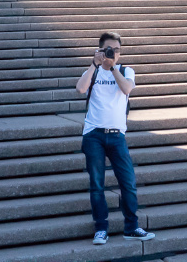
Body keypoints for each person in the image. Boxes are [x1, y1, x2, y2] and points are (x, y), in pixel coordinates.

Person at [74, 31, 155, 245]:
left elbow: (127, 89)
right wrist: (95, 64)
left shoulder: (126, 71)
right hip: (94, 135)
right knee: (97, 184)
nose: (113, 53)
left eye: (117, 50)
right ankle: (101, 228)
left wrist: (112, 68)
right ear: (100, 49)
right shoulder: (92, 72)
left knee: (128, 182)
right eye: (109, 49)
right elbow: (80, 89)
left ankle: (132, 227)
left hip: (117, 135)